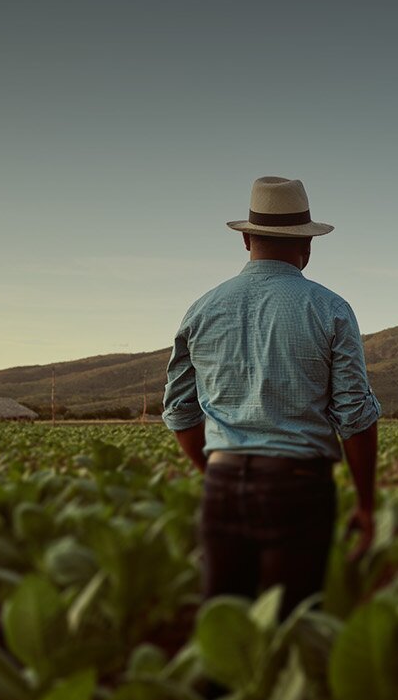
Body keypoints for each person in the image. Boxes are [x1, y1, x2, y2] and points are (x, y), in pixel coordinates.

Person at [162, 175, 381, 618]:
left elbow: (178, 410)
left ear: (246, 238)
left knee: (224, 626)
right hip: (297, 485)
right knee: (294, 627)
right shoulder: (330, 308)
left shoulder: (202, 308)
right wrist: (364, 502)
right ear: (308, 243)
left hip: (224, 483)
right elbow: (355, 416)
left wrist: (217, 471)